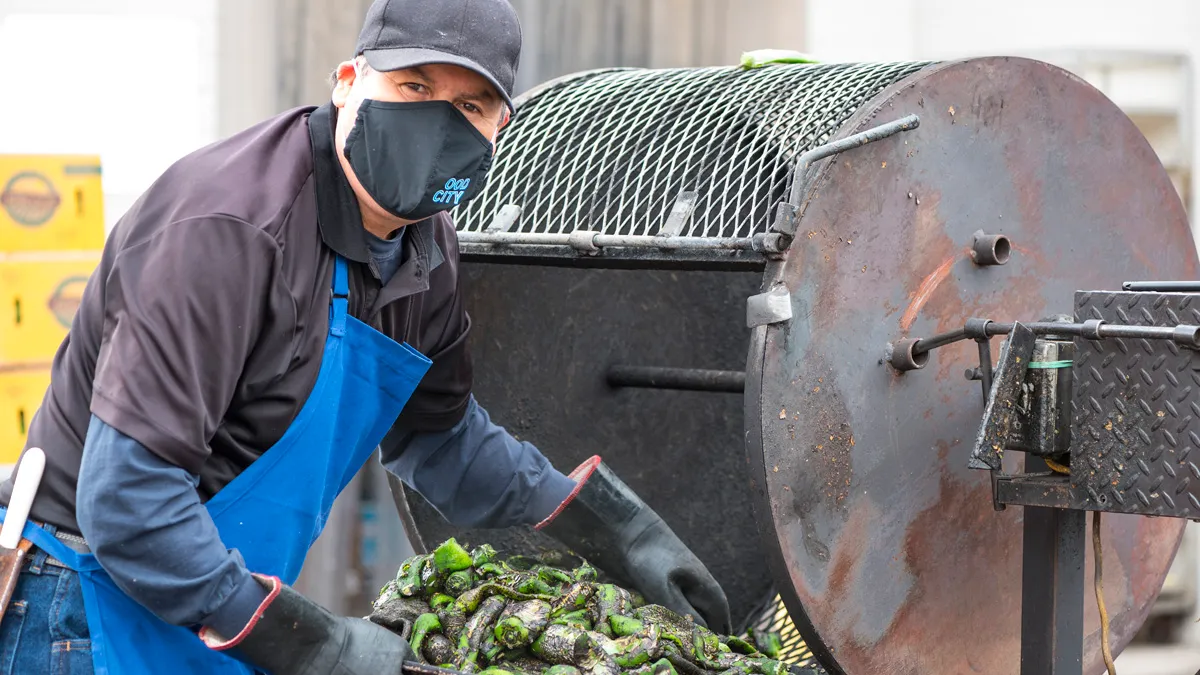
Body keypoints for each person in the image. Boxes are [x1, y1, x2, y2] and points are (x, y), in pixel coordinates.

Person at [0, 0, 731, 673]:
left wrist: (606, 526)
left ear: (499, 128)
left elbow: (440, 441)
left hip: (231, 607)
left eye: (470, 105)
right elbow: (128, 500)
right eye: (415, 86)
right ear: (349, 81)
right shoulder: (228, 230)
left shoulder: (429, 251)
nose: (440, 120)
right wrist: (318, 644)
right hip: (85, 604)